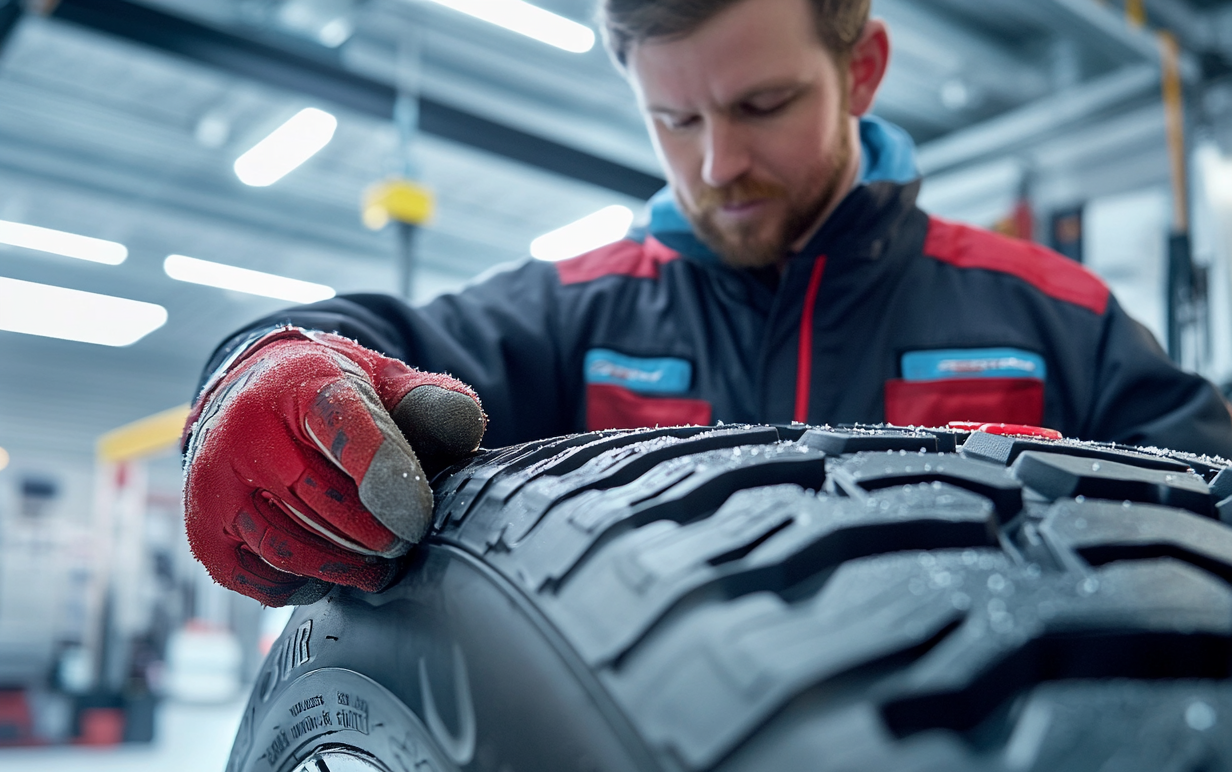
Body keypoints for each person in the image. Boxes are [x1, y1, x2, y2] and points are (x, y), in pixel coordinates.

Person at [182, 0, 1232, 607]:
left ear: (859, 71)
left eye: (760, 105)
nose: (717, 162)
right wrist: (267, 376)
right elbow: (360, 341)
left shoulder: (1050, 313)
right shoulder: (577, 317)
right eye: (672, 118)